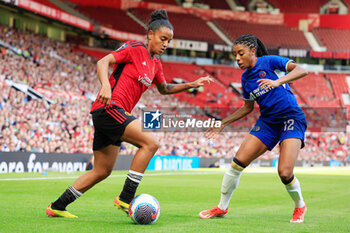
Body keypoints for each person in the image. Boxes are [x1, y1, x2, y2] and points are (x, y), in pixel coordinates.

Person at [46, 9, 213, 218]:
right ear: (150, 34)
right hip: (109, 108)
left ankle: (57, 206)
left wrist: (192, 84)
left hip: (112, 114)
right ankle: (126, 198)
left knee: (102, 171)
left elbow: (165, 89)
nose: (165, 44)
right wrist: (105, 85)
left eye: (169, 41)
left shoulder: (156, 64)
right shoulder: (135, 48)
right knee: (151, 143)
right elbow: (103, 62)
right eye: (163, 39)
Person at [198, 34, 308, 223]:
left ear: (252, 51)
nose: (237, 59)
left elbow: (302, 70)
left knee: (285, 173)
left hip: (291, 118)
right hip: (268, 122)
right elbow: (248, 108)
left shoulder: (268, 62)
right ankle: (222, 208)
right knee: (237, 163)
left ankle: (300, 206)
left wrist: (277, 82)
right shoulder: (246, 79)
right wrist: (223, 123)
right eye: (235, 55)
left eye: (241, 54)